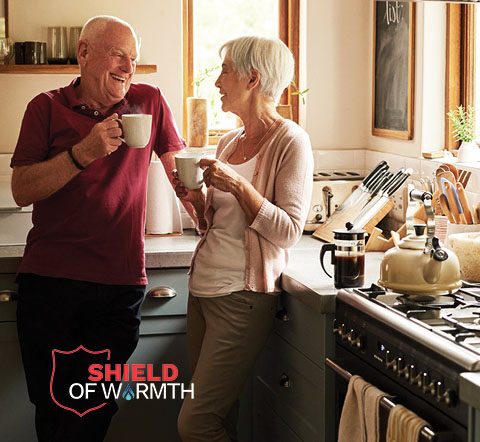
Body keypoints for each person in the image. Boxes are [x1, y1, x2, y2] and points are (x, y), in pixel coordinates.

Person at [10, 15, 187, 442]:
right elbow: (20, 190)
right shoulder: (45, 107)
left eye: (134, 58)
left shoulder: (149, 101)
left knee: (94, 412)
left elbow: (178, 173)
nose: (128, 67)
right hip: (50, 285)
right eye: (118, 54)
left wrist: (205, 199)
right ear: (84, 53)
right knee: (53, 413)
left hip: (117, 288)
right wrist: (82, 153)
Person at [175, 36, 313, 442]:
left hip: (242, 298)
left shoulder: (291, 141)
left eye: (225, 71)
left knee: (196, 423)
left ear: (252, 79)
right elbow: (213, 225)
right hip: (202, 293)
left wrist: (238, 186)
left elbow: (288, 231)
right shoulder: (229, 142)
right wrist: (195, 200)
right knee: (219, 418)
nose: (217, 82)